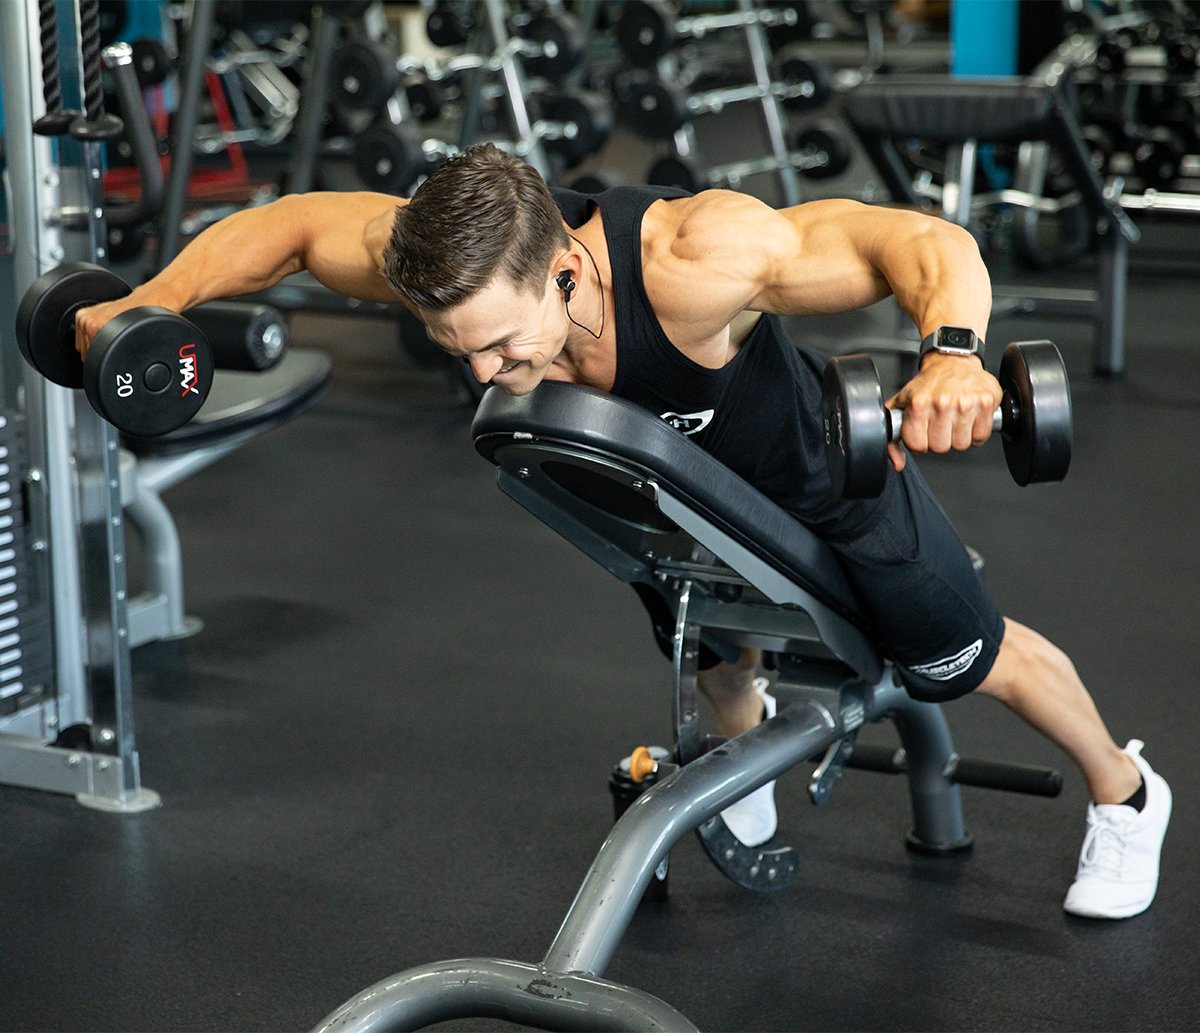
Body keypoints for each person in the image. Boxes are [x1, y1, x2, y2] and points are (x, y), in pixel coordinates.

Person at [76, 143, 1170, 919]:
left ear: (566, 270)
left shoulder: (702, 258)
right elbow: (296, 227)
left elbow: (913, 240)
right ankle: (750, 774)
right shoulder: (453, 258)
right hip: (675, 503)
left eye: (501, 347)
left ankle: (1127, 795)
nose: (483, 377)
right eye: (457, 353)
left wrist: (957, 353)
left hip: (827, 484)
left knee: (964, 660)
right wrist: (145, 308)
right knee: (712, 641)